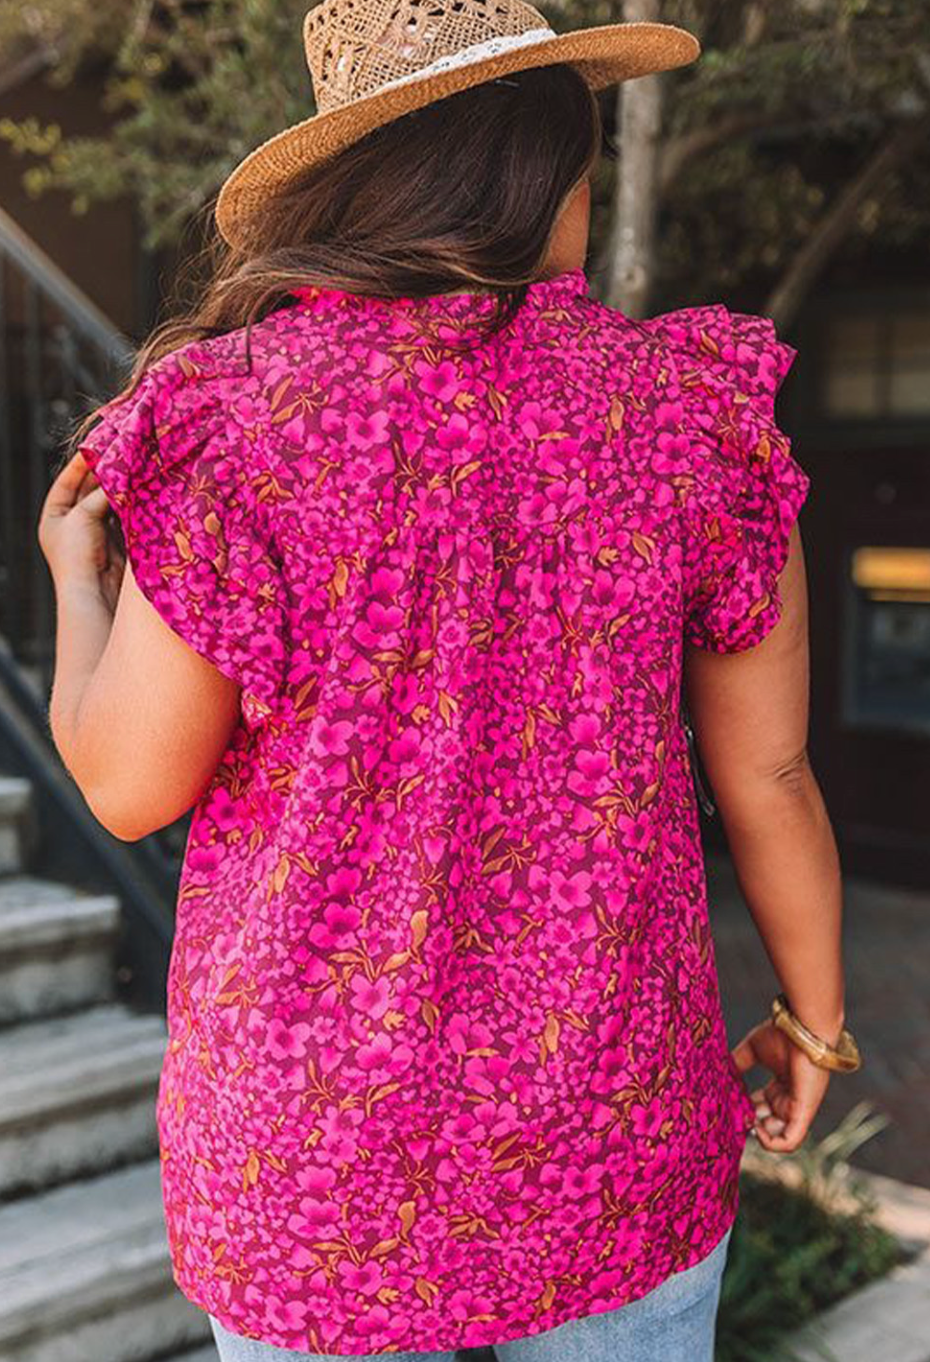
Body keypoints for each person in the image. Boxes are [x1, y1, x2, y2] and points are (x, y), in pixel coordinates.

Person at [37, 1, 860, 1359]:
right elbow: (769, 770)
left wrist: (77, 580)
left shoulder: (238, 419)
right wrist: (814, 1026)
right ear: (547, 173)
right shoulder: (682, 412)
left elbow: (128, 788)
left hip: (317, 1160)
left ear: (352, 186)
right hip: (613, 1129)